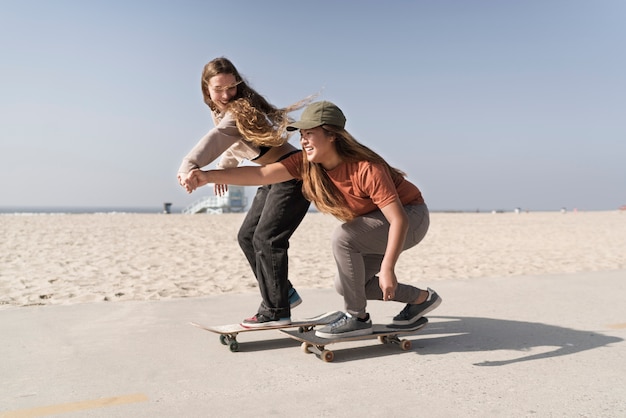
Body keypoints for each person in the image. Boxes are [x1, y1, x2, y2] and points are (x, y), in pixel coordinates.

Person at [182, 100, 442, 338]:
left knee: (345, 237)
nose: (304, 140)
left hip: (411, 217)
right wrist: (207, 176)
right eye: (302, 134)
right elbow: (262, 175)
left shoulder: (366, 168)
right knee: (349, 284)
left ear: (332, 135)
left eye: (310, 134)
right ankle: (421, 299)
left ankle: (357, 317)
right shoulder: (305, 163)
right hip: (376, 223)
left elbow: (398, 220)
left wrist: (388, 268)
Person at [177, 57, 311, 327]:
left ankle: (276, 310)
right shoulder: (221, 113)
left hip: (292, 174)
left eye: (231, 87)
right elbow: (231, 143)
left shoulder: (240, 109)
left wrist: (189, 165)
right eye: (219, 89)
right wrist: (223, 168)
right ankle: (282, 293)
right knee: (247, 236)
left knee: (267, 239)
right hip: (273, 176)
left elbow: (217, 138)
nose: (226, 95)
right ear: (207, 89)